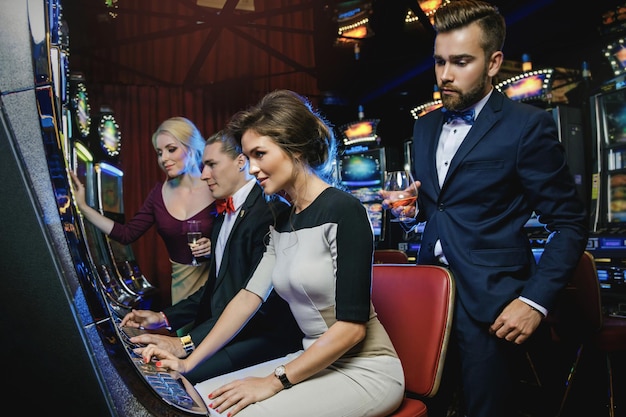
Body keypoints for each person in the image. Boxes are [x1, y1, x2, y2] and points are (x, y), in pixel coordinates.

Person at [141, 89, 405, 417]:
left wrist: (273, 381)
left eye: (260, 154)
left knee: (238, 413)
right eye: (248, 157)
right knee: (201, 399)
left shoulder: (344, 209)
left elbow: (352, 328)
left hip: (365, 370)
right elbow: (248, 298)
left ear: (293, 148)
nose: (251, 168)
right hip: (308, 360)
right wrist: (188, 361)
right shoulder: (281, 217)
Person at [382, 2, 589, 416]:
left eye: (461, 62)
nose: (445, 75)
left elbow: (569, 223)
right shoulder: (424, 125)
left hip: (492, 302)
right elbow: (440, 207)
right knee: (428, 405)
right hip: (430, 292)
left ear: (493, 62)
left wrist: (533, 301)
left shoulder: (526, 126)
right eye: (440, 62)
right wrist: (411, 210)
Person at [119, 130, 303, 384]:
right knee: (151, 370)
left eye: (211, 165)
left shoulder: (271, 214)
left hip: (260, 338)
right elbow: (216, 289)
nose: (204, 174)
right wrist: (163, 317)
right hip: (224, 333)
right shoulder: (221, 219)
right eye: (204, 165)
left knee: (172, 379)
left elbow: (257, 305)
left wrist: (185, 343)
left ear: (241, 162)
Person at [70, 116, 216, 306]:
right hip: (183, 293)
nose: (164, 158)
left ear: (191, 147)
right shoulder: (158, 195)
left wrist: (216, 246)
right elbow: (126, 234)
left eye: (171, 149)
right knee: (186, 334)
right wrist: (84, 208)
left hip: (219, 285)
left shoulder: (217, 185)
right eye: (159, 152)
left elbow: (243, 233)